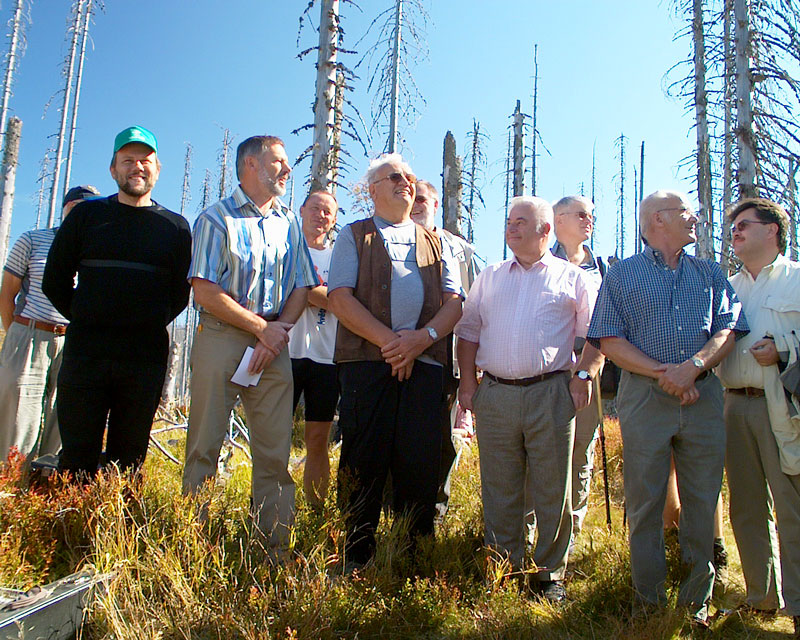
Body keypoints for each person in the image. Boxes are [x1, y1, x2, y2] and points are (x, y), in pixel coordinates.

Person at [587, 189, 747, 626]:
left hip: (703, 396)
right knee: (644, 502)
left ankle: (696, 602)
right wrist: (667, 375)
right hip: (645, 397)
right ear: (658, 219)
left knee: (702, 500)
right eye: (686, 212)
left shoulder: (711, 272)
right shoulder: (622, 276)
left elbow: (728, 329)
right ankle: (649, 603)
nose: (695, 218)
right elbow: (609, 339)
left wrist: (692, 369)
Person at [456, 196, 603, 602]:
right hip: (496, 394)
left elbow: (596, 333)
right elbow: (468, 331)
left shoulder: (572, 278)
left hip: (551, 393)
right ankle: (505, 567)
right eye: (508, 221)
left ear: (545, 231)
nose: (511, 227)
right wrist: (468, 383)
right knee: (499, 486)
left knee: (553, 486)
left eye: (521, 222)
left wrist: (584, 374)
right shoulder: (489, 276)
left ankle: (548, 575)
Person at [327, 153, 463, 570]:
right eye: (394, 178)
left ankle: (413, 557)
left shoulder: (441, 243)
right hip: (366, 364)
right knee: (363, 457)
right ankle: (356, 555)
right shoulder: (354, 235)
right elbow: (339, 297)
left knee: (420, 461)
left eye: (409, 177)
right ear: (372, 190)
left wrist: (421, 341)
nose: (406, 183)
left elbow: (455, 302)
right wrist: (392, 344)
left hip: (426, 366)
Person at [182, 135, 317, 550]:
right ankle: (193, 547)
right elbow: (203, 290)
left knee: (275, 453)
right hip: (222, 338)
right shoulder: (216, 219)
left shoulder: (289, 222)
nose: (287, 169)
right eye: (279, 161)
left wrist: (275, 332)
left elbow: (302, 285)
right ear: (251, 166)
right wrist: (260, 328)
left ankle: (273, 550)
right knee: (204, 447)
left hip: (274, 343)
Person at [42, 126, 192, 476]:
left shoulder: (176, 228)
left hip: (144, 359)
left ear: (157, 169)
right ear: (113, 169)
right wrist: (85, 315)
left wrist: (147, 320)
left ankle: (118, 529)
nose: (137, 166)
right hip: (85, 353)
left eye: (145, 160)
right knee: (76, 457)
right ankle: (75, 526)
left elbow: (180, 293)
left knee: (128, 460)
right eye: (128, 160)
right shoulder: (85, 217)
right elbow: (55, 279)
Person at [715, 197, 800, 634]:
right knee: (746, 507)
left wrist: (783, 353)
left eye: (744, 225)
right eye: (732, 228)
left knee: (791, 507)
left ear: (773, 230)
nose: (735, 233)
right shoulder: (727, 287)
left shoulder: (797, 279)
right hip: (733, 404)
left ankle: (799, 606)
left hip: (781, 405)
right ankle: (761, 598)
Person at [0, 185, 99, 464]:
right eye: (77, 206)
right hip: (30, 335)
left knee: (63, 423)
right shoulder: (33, 240)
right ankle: (11, 495)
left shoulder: (96, 251)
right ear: (65, 209)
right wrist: (19, 337)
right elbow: (7, 295)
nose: (82, 212)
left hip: (74, 343)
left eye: (90, 206)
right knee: (19, 423)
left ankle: (46, 493)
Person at [409, 179, 479, 519]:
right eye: (412, 199)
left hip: (448, 357)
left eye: (423, 199)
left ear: (436, 205)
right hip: (399, 353)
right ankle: (398, 508)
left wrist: (475, 365)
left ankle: (434, 510)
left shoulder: (459, 249)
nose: (416, 205)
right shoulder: (394, 238)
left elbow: (477, 304)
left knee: (439, 437)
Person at [551, 195, 605, 539]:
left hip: (591, 370)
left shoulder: (604, 267)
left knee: (581, 452)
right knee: (545, 450)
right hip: (549, 369)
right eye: (582, 214)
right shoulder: (538, 259)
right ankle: (541, 532)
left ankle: (570, 533)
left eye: (592, 215)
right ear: (558, 220)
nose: (589, 220)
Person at [288, 190, 339, 508]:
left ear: (334, 220)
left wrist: (304, 288)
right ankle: (267, 509)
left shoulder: (340, 258)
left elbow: (345, 303)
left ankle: (316, 514)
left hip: (327, 358)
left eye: (328, 212)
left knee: (318, 440)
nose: (321, 215)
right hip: (285, 353)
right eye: (316, 208)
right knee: (275, 440)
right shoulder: (285, 249)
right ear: (302, 210)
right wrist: (327, 297)